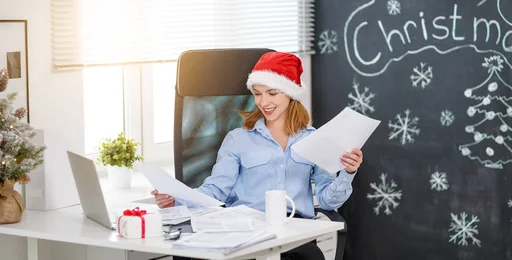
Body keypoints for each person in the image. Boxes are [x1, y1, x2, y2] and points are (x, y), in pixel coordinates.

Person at [152, 52, 363, 260]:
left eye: (272, 93)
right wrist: (177, 200)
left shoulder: (314, 139)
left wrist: (348, 172)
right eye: (257, 93)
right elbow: (215, 190)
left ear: (290, 93)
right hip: (248, 233)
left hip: (296, 235)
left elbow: (328, 201)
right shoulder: (238, 139)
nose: (263, 102)